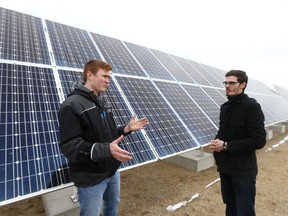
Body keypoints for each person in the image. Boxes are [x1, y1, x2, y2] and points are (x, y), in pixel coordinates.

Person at [58, 59, 149, 216]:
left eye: (109, 77)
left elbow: (109, 134)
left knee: (111, 209)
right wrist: (107, 149)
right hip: (91, 178)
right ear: (90, 75)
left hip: (112, 172)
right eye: (104, 76)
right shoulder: (71, 105)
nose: (108, 81)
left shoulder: (102, 103)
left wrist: (126, 129)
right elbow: (70, 146)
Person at [210, 70, 266, 216]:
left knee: (244, 210)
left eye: (232, 83)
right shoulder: (225, 107)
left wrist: (226, 145)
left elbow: (259, 140)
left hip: (243, 171)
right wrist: (217, 142)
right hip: (226, 168)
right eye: (226, 82)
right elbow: (223, 132)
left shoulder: (251, 107)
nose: (227, 86)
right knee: (230, 206)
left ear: (243, 85)